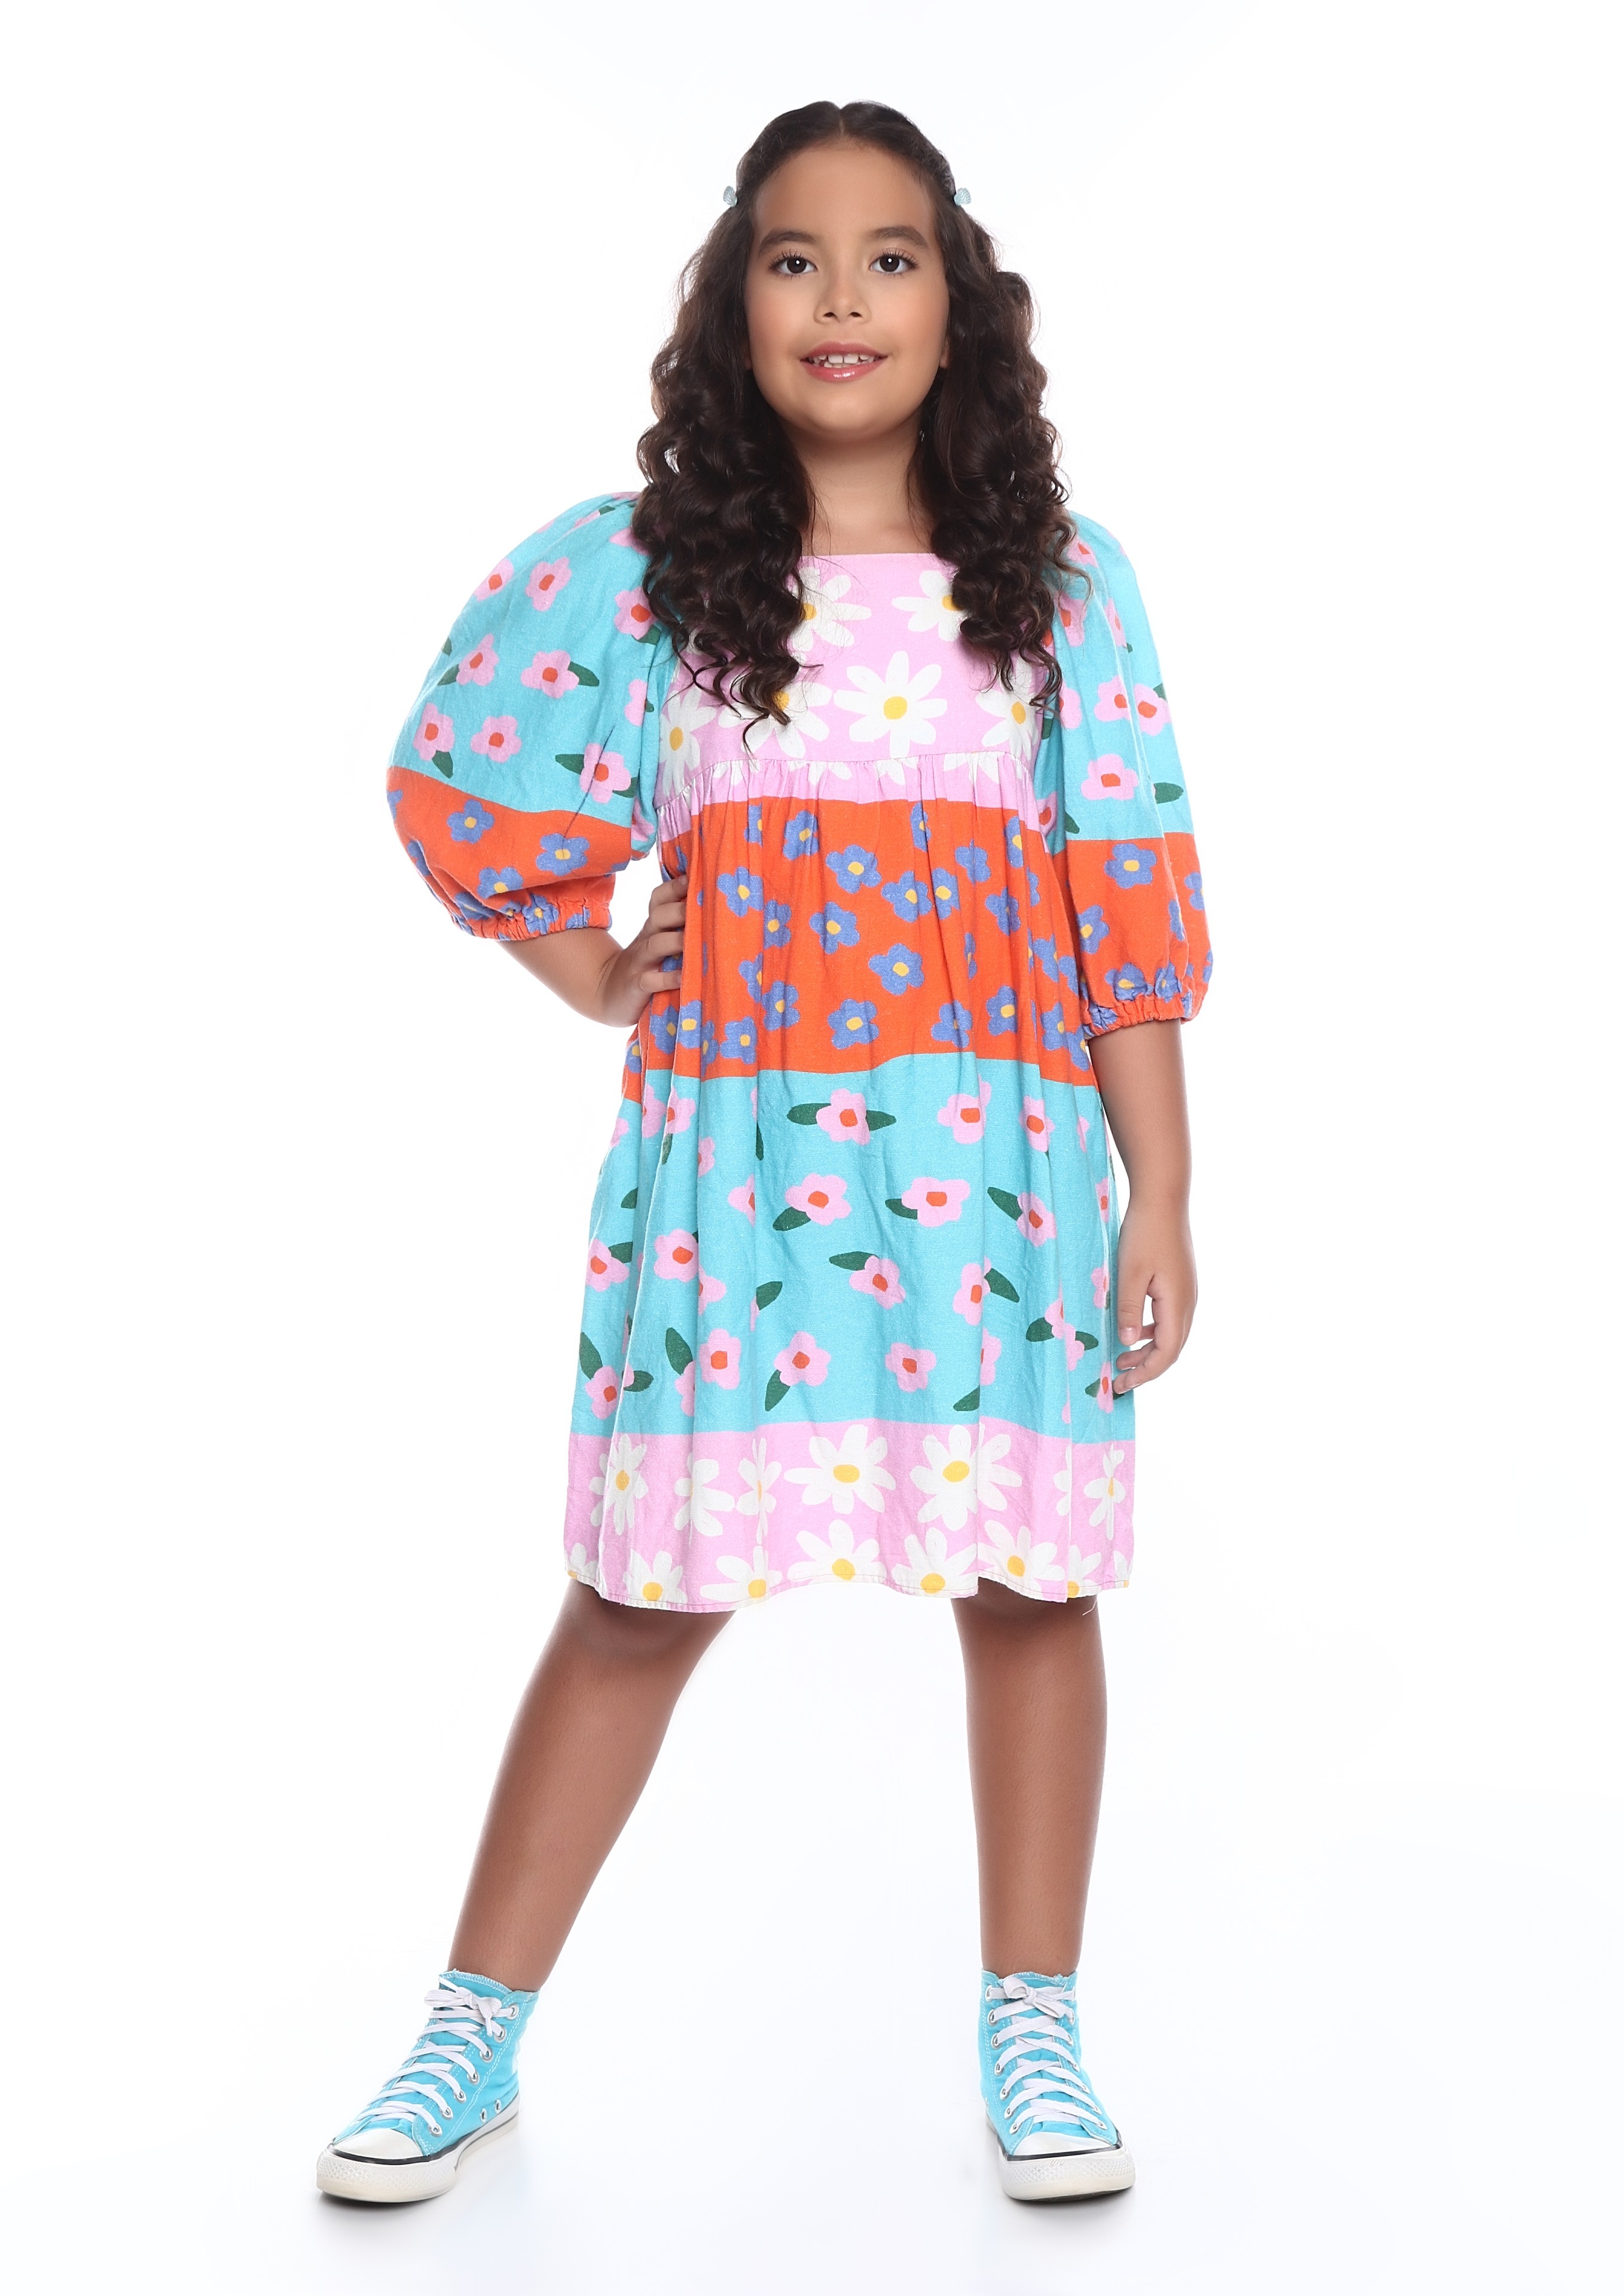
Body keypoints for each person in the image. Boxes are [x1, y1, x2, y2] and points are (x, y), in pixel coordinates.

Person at [318, 98, 1211, 2210]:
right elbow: (462, 770)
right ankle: (472, 2028)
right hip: (732, 1175)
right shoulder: (647, 577)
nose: (841, 298)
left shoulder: (1060, 587)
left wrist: (1160, 1190)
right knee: (638, 1596)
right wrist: (584, 967)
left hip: (999, 1172)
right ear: (736, 305)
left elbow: (1123, 889)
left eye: (889, 257)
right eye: (794, 258)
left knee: (1028, 1582)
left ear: (957, 305)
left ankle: (1034, 2028)